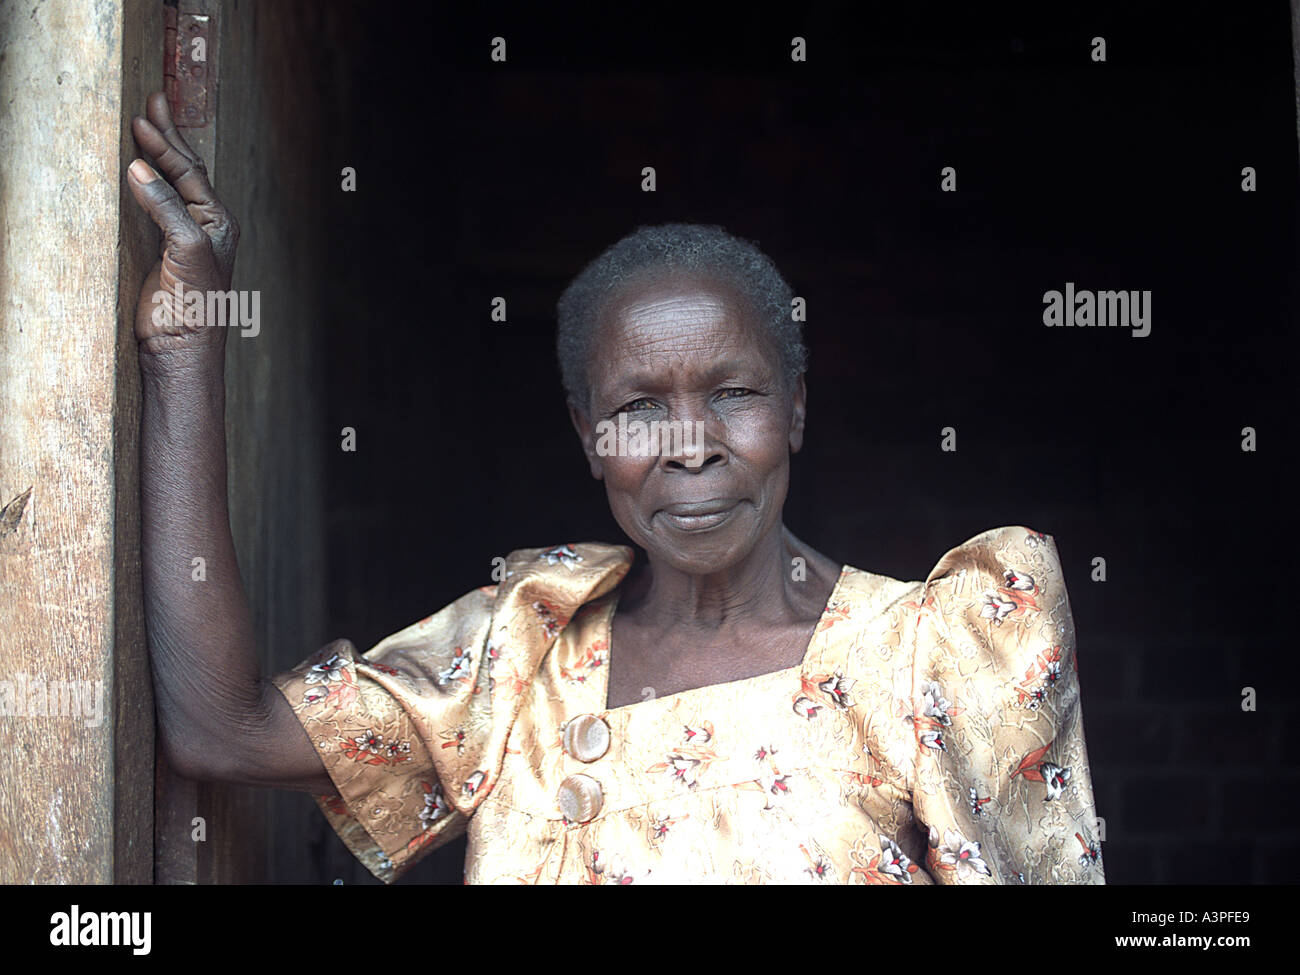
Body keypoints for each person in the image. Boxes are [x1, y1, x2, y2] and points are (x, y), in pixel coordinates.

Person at [128, 91, 1105, 885]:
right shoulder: (520, 651)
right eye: (639, 408)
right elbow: (225, 731)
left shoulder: (933, 650)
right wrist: (185, 345)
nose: (691, 446)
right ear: (589, 438)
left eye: (734, 392)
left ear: (796, 410)